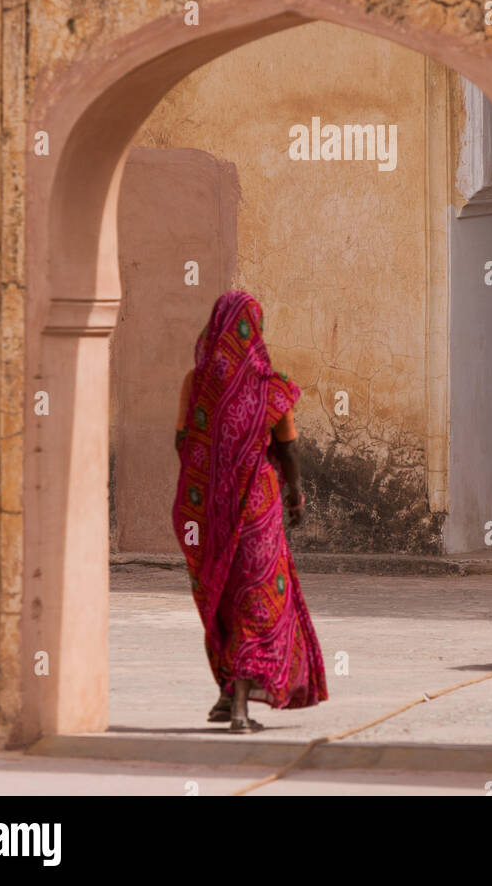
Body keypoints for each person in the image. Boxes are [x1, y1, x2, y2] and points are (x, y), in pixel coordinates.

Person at [172, 289, 328, 732]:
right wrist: (295, 495)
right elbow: (289, 449)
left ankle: (225, 696)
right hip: (257, 504)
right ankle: (241, 709)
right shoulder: (269, 387)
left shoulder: (196, 383)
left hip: (209, 511)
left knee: (221, 593)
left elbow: (183, 443)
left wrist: (212, 476)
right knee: (257, 597)